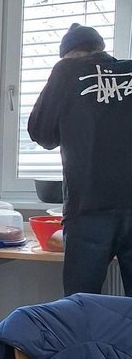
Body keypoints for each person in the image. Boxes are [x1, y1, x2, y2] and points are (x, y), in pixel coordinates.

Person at [28, 23, 132, 297]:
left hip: (89, 209)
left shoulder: (66, 71)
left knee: (81, 303)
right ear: (100, 48)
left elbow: (41, 133)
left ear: (68, 54)